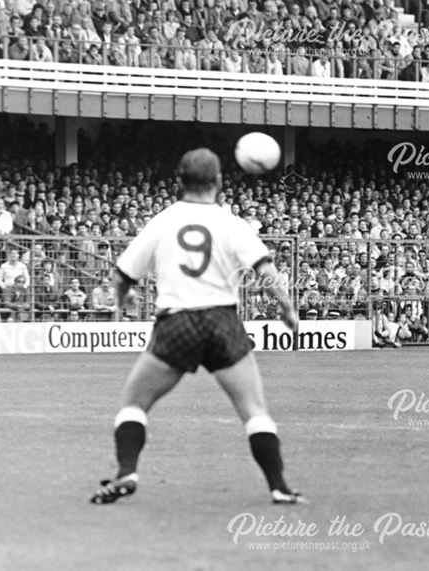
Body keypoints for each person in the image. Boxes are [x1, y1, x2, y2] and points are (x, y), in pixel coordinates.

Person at [90, 149, 304, 505]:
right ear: (218, 182)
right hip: (223, 322)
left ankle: (126, 471)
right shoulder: (232, 223)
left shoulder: (163, 220)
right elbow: (266, 272)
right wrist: (288, 309)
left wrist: (123, 297)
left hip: (177, 323)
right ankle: (279, 486)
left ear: (179, 181)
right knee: (254, 410)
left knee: (133, 404)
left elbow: (123, 272)